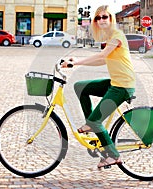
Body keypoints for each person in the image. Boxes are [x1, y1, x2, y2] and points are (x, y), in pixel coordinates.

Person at [62, 5, 135, 168]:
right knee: (80, 87)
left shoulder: (117, 35)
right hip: (114, 82)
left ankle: (113, 155)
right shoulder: (110, 37)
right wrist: (76, 61)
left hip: (123, 86)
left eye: (105, 17)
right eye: (98, 17)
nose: (101, 20)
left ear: (111, 18)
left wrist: (75, 64)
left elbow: (102, 55)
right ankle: (91, 124)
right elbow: (103, 60)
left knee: (96, 121)